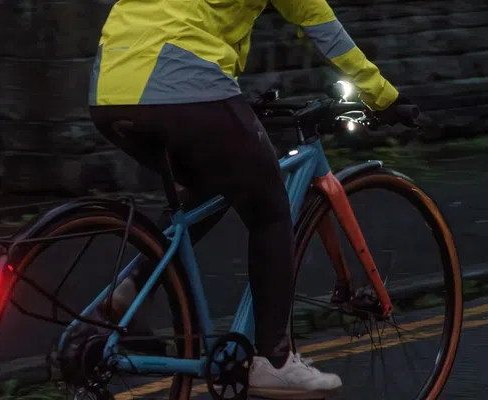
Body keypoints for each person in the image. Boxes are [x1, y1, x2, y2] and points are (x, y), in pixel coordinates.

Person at [85, 0, 420, 398]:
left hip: (109, 88)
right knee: (271, 212)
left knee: (216, 179)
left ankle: (129, 291)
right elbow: (318, 22)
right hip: (182, 87)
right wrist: (383, 96)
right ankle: (274, 360)